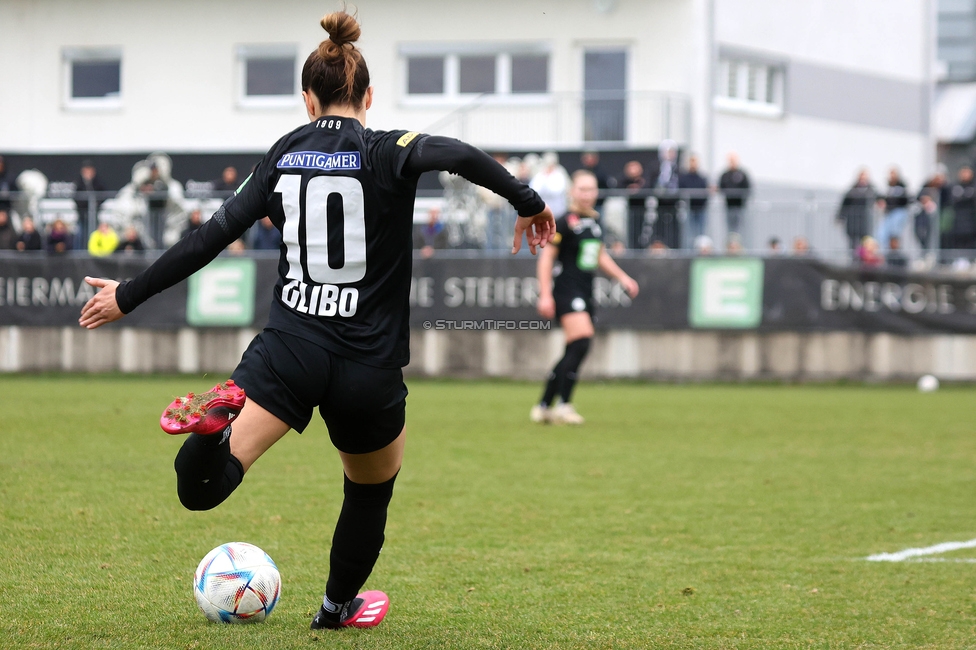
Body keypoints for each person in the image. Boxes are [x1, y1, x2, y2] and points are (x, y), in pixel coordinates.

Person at [78, 10, 554, 633]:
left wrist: (128, 295)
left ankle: (208, 429)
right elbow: (459, 153)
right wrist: (531, 202)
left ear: (307, 100)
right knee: (369, 490)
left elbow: (211, 237)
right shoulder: (392, 149)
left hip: (289, 352)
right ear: (369, 96)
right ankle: (335, 611)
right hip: (368, 366)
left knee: (204, 488)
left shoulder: (284, 154)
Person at [532, 170, 638, 425]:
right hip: (567, 289)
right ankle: (563, 405)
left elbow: (599, 256)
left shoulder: (595, 223)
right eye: (582, 189)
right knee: (581, 341)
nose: (587, 194)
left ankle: (544, 405)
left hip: (585, 290)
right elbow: (546, 258)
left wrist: (623, 278)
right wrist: (545, 294)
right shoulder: (564, 222)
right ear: (572, 191)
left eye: (591, 189)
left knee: (574, 347)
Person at [837, 169, 876, 251]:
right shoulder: (852, 191)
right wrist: (841, 216)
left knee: (864, 241)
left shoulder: (871, 190)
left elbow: (877, 198)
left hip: (864, 222)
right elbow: (845, 204)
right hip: (853, 222)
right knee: (853, 243)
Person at [652, 143, 681, 250]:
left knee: (674, 226)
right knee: (659, 225)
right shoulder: (657, 167)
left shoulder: (677, 168)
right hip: (661, 202)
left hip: (673, 203)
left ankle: (674, 246)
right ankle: (659, 245)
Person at [875, 167, 910, 251]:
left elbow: (906, 199)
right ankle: (885, 253)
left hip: (898, 212)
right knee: (882, 234)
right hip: (888, 213)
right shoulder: (886, 186)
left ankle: (895, 253)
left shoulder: (901, 186)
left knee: (894, 234)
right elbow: (879, 196)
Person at [718, 153, 750, 243]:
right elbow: (721, 187)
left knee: (741, 228)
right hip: (729, 206)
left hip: (740, 207)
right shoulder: (725, 174)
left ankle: (740, 245)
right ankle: (730, 246)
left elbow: (747, 187)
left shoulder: (742, 174)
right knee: (730, 228)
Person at [74, 160, 106, 247]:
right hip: (82, 215)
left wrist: (96, 204)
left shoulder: (97, 182)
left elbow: (103, 195)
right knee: (80, 235)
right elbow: (76, 198)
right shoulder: (79, 183)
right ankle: (79, 255)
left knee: (95, 234)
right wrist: (87, 204)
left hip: (95, 215)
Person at [678, 154, 708, 246]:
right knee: (688, 232)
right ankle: (689, 251)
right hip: (689, 209)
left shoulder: (702, 178)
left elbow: (705, 191)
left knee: (700, 232)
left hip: (700, 208)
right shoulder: (684, 178)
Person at [529, 152, 569, 218]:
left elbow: (558, 190)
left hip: (558, 211)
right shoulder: (540, 175)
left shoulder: (559, 174)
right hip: (542, 210)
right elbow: (533, 189)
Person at [622, 160, 647, 249]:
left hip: (641, 209)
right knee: (630, 231)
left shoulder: (644, 180)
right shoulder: (625, 181)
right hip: (628, 210)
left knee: (641, 231)